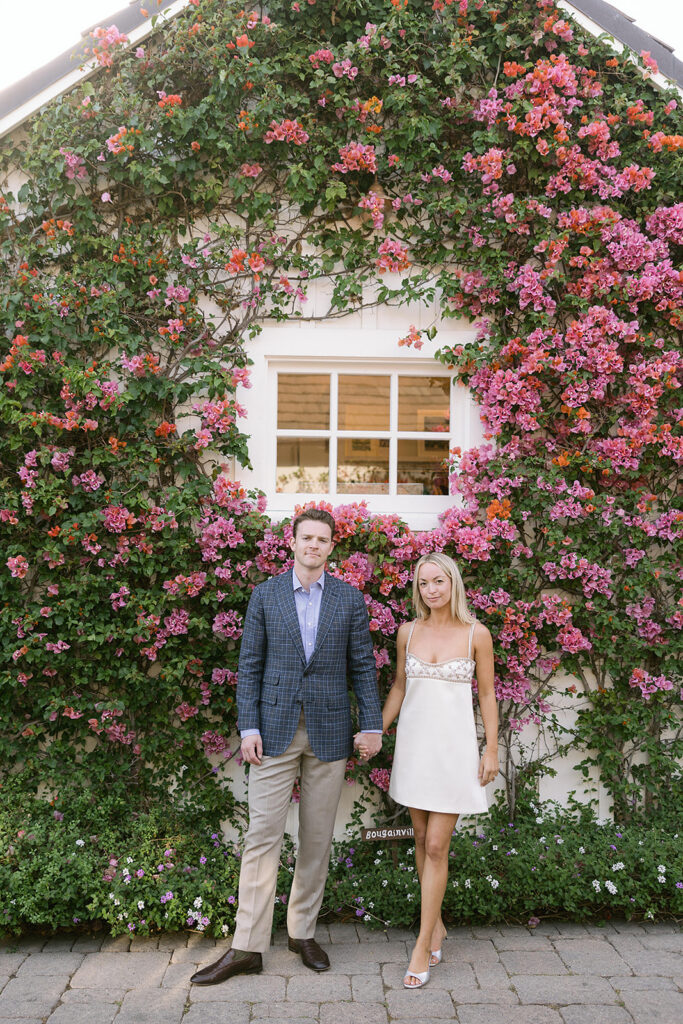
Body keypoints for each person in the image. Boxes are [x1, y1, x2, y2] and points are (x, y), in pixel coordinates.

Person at [191, 508, 383, 985]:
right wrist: (248, 726)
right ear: (291, 543)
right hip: (273, 731)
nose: (313, 545)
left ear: (331, 546)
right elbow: (249, 665)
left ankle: (302, 932)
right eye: (306, 538)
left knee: (316, 838)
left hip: (331, 731)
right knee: (262, 836)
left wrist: (373, 725)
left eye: (322, 539)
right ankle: (247, 947)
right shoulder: (265, 595)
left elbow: (362, 666)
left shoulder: (348, 599)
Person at [359, 552, 498, 989]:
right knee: (419, 838)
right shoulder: (408, 631)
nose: (432, 590)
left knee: (437, 844)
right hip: (415, 749)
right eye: (423, 584)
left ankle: (422, 944)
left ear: (453, 583)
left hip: (454, 753)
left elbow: (489, 696)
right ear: (417, 589)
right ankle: (435, 926)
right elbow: (400, 685)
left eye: (439, 581)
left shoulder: (478, 634)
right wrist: (375, 730)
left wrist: (491, 749)